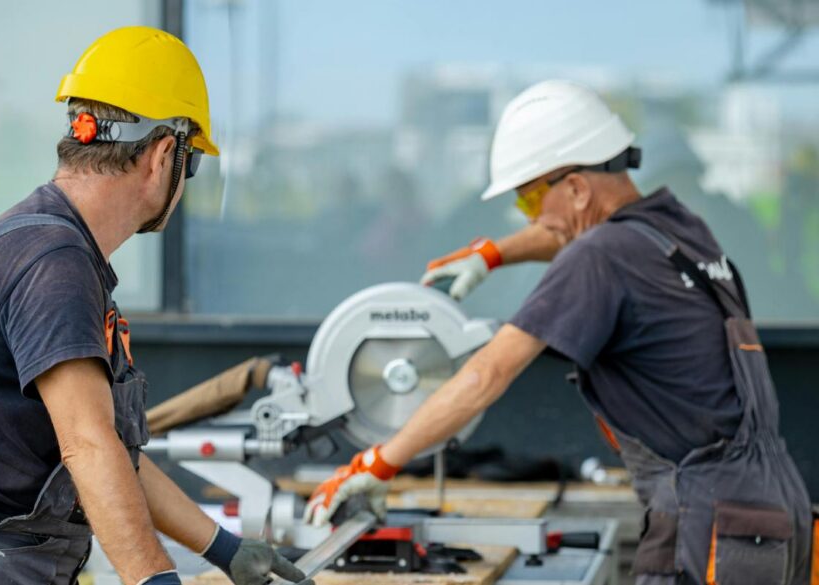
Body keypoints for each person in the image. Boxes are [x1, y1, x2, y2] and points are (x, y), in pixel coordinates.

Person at [304, 80, 813, 585]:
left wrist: (377, 462)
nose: (529, 216)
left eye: (527, 201)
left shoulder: (599, 257)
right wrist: (495, 254)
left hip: (711, 529)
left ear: (576, 187)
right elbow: (574, 233)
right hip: (773, 514)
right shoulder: (678, 230)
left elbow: (485, 375)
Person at [0, 27, 307, 585]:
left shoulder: (37, 241)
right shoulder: (53, 262)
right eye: (193, 164)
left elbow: (106, 447)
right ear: (162, 155)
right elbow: (87, 445)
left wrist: (224, 549)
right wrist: (155, 579)